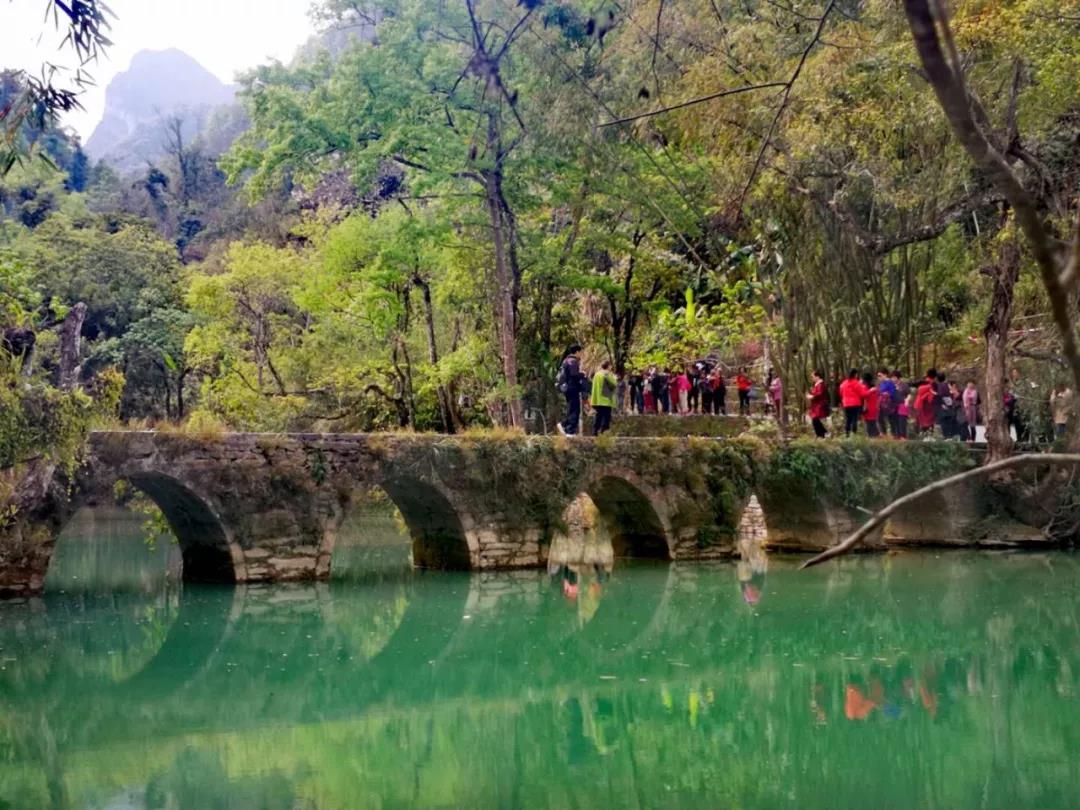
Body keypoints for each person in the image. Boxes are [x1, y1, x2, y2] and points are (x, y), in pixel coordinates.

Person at [557, 344, 586, 435]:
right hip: (572, 387)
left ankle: (565, 425)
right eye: (581, 352)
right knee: (575, 409)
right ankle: (569, 429)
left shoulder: (566, 360)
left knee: (571, 408)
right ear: (577, 352)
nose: (582, 354)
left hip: (567, 388)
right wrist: (582, 374)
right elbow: (574, 375)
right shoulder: (573, 361)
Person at [590, 360, 617, 435]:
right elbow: (614, 384)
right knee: (606, 417)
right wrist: (614, 378)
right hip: (605, 399)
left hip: (597, 399)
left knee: (598, 416)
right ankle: (604, 432)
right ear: (608, 366)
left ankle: (595, 431)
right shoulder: (607, 374)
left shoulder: (597, 374)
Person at [839, 369, 864, 436]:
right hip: (855, 403)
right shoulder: (857, 383)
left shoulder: (844, 383)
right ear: (855, 374)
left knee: (848, 419)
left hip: (846, 404)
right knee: (854, 419)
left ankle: (847, 434)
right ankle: (854, 434)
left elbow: (841, 392)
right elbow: (862, 393)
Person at [914, 370, 938, 438]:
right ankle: (929, 438)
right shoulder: (933, 384)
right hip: (928, 407)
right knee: (929, 423)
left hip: (920, 405)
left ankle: (921, 437)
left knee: (922, 423)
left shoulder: (921, 383)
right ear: (935, 377)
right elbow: (932, 398)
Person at [807, 369, 830, 438]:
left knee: (815, 420)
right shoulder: (817, 385)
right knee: (815, 420)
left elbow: (819, 394)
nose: (812, 378)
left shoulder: (820, 385)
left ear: (817, 377)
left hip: (819, 405)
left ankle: (822, 433)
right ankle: (822, 434)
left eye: (813, 376)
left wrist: (812, 397)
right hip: (816, 405)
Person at [877, 368, 897, 437]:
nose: (879, 377)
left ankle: (893, 434)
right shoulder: (881, 384)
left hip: (889, 403)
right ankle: (883, 432)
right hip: (881, 403)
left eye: (880, 375)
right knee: (880, 418)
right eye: (878, 376)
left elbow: (892, 392)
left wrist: (886, 394)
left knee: (891, 419)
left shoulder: (890, 382)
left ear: (885, 375)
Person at [861, 372, 881, 438]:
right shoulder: (874, 388)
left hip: (867, 408)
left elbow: (863, 395)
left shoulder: (865, 387)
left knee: (869, 424)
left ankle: (872, 437)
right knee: (873, 423)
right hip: (874, 408)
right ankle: (877, 436)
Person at [892, 370, 910, 439]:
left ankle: (903, 437)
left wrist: (907, 400)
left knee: (902, 422)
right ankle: (897, 436)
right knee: (895, 421)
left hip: (902, 405)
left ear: (897, 377)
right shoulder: (892, 385)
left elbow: (909, 394)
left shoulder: (904, 385)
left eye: (893, 377)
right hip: (894, 406)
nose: (892, 379)